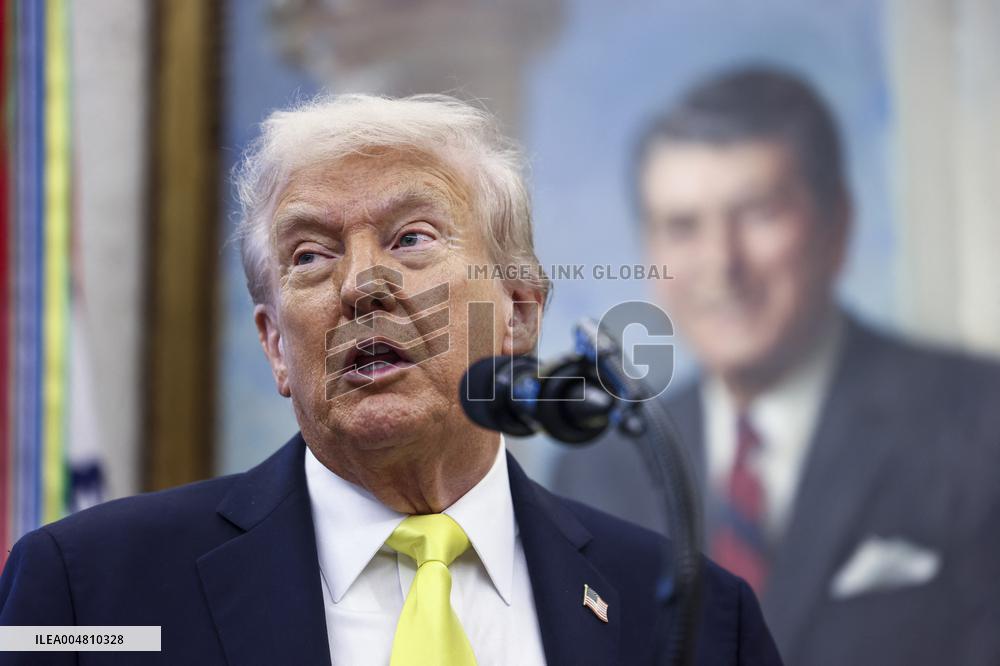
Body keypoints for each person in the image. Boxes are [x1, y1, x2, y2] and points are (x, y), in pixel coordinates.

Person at [0, 94, 781, 665]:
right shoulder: (89, 593)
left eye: (411, 238)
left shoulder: (703, 623)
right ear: (275, 346)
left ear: (518, 311)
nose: (361, 285)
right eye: (310, 254)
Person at [550, 67, 1000, 666]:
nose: (720, 263)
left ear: (836, 226)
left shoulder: (979, 423)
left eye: (758, 212)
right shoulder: (599, 472)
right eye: (683, 227)